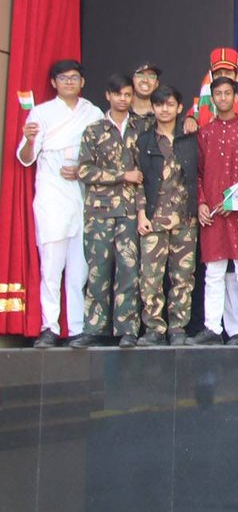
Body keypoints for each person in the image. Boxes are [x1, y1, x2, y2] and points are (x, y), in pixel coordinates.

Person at [15, 59, 101, 347]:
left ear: (82, 81)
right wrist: (29, 140)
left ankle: (76, 328)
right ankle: (49, 327)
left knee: (79, 270)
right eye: (63, 78)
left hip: (82, 196)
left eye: (74, 77)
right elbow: (25, 158)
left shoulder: (92, 112)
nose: (69, 82)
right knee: (51, 267)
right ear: (54, 83)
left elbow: (104, 156)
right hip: (52, 196)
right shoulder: (41, 112)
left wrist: (82, 170)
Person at [73, 74, 143, 348]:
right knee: (97, 271)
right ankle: (94, 329)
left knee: (129, 270)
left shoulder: (140, 129)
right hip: (99, 211)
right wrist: (121, 175)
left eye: (127, 94)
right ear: (108, 96)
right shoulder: (94, 130)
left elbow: (145, 174)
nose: (123, 99)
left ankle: (127, 329)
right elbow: (84, 170)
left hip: (129, 211)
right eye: (118, 94)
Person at [192, 74, 238, 346]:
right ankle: (212, 328)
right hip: (212, 212)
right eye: (218, 94)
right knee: (214, 273)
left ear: (235, 97)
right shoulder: (205, 133)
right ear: (212, 98)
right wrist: (201, 202)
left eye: (227, 93)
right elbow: (197, 173)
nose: (223, 98)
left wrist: (234, 200)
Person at [133, 86, 200, 345]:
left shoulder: (190, 138)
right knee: (150, 277)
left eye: (170, 104)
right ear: (153, 108)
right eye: (160, 104)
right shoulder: (144, 140)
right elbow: (139, 181)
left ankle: (178, 328)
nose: (164, 109)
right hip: (154, 219)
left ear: (179, 107)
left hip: (185, 220)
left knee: (183, 277)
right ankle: (154, 328)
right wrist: (141, 214)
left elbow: (199, 175)